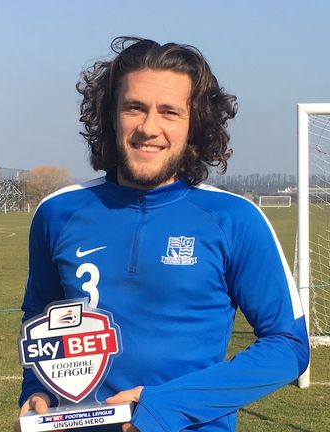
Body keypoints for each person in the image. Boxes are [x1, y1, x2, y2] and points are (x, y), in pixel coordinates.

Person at [16, 36, 309, 432]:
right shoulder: (58, 213)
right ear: (109, 114)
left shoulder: (235, 219)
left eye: (169, 112)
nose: (148, 127)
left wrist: (162, 407)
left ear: (195, 125)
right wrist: (38, 391)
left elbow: (288, 346)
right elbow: (42, 317)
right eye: (134, 107)